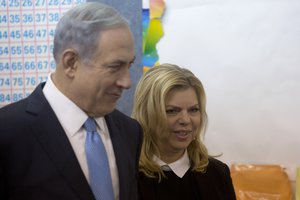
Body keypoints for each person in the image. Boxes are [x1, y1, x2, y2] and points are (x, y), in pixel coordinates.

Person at [0, 2, 143, 200]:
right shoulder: (8, 132)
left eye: (129, 65)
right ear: (71, 63)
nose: (127, 82)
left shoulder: (130, 131)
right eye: (114, 66)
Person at [132, 64, 236, 199]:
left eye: (193, 110)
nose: (186, 120)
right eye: (172, 111)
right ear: (146, 114)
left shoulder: (217, 174)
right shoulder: (125, 176)